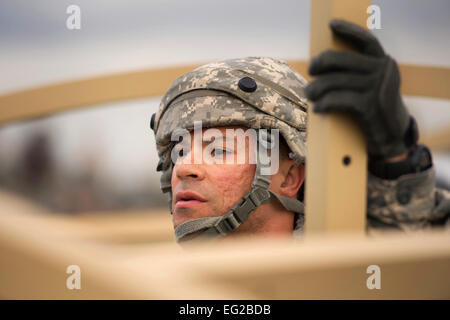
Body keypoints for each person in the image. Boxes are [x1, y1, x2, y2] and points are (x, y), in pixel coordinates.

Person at [150, 20, 450, 243]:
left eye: (220, 150)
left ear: (291, 178)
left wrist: (395, 158)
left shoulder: (347, 280)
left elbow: (412, 263)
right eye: (179, 152)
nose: (184, 168)